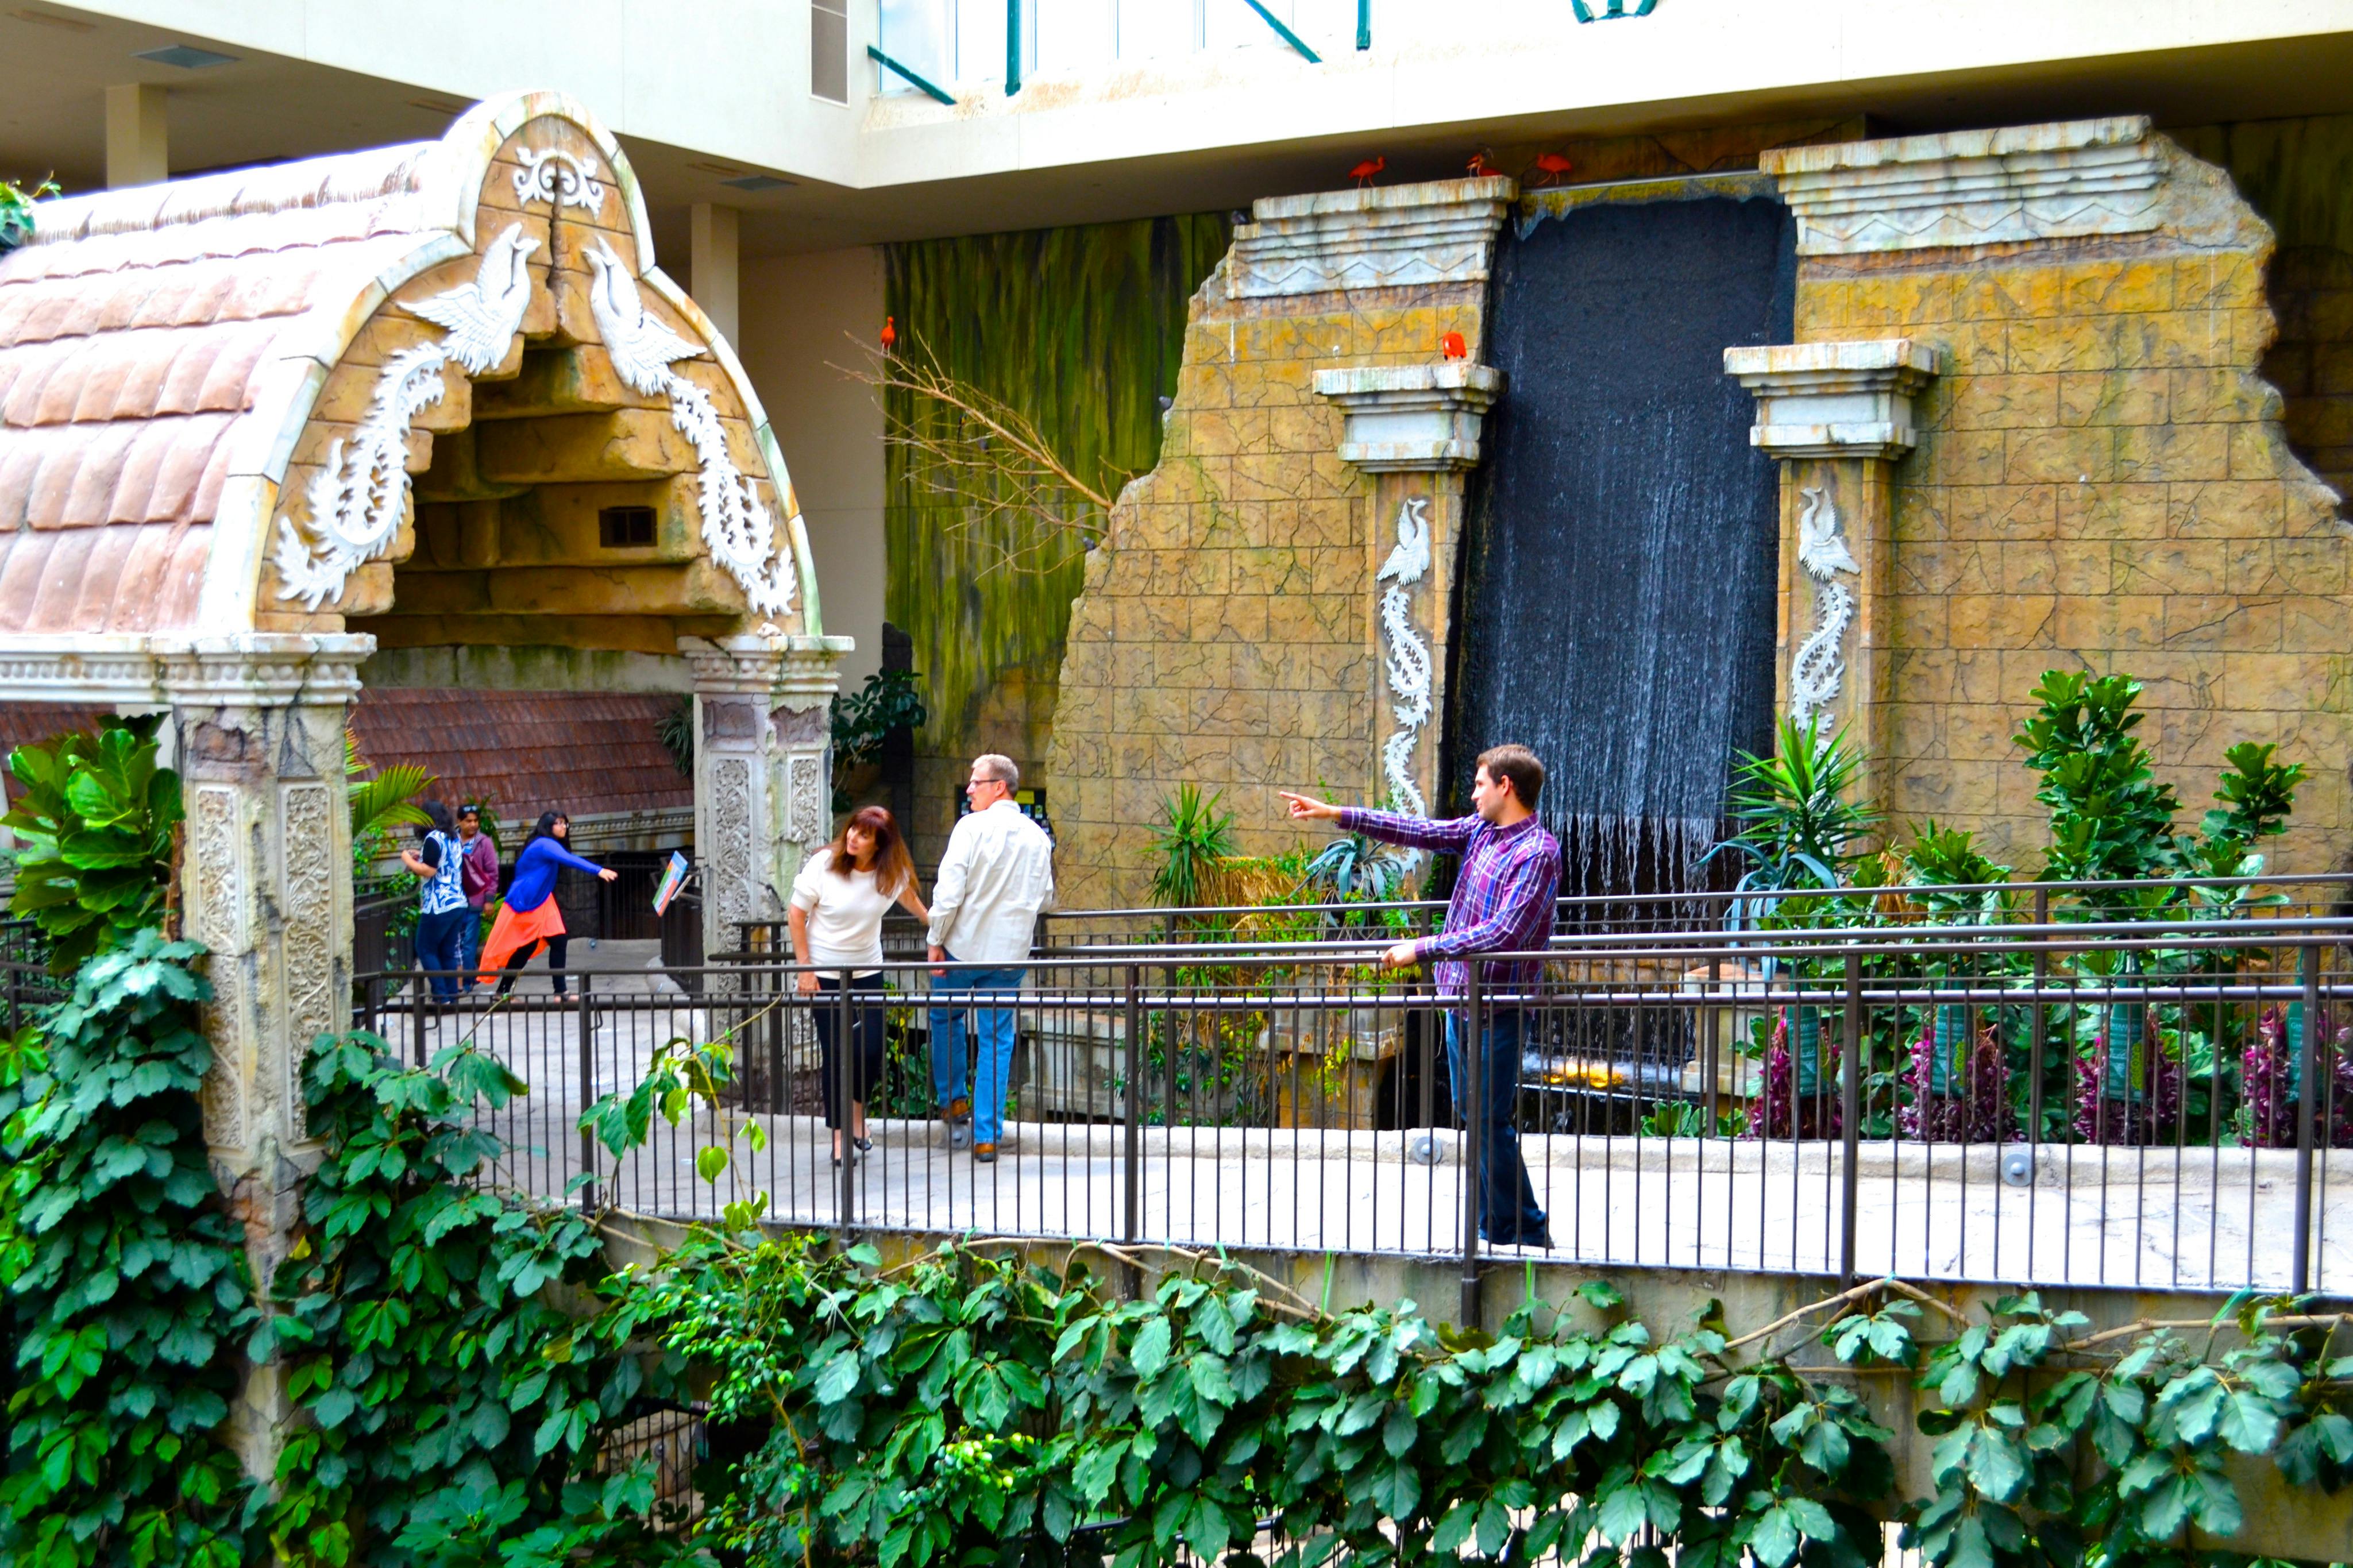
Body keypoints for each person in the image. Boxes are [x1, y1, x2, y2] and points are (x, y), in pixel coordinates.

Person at [1280, 744, 1561, 1249]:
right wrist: (1337, 814)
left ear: (1506, 787)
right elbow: (1418, 831)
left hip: (1499, 1007)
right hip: (1460, 1001)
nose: (1473, 793)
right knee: (1473, 1110)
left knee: (1487, 1117)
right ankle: (1495, 1223)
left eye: (1480, 784)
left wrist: (1421, 948)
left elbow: (1506, 933)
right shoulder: (1481, 831)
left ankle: (1522, 1227)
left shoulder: (1537, 853)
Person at [926, 754, 1055, 1164]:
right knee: (997, 1040)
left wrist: (935, 940)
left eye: (975, 783)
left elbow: (948, 894)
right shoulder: (1038, 836)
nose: (969, 789)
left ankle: (953, 1102)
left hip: (961, 949)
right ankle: (987, 1136)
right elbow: (1046, 898)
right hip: (1010, 955)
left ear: (999, 786)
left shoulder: (970, 828)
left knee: (945, 1018)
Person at [790, 806, 930, 1167]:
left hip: (867, 970)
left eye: (864, 835)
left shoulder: (889, 874)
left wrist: (939, 935)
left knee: (868, 1051)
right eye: (853, 829)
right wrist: (805, 970)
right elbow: (796, 914)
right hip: (826, 972)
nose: (853, 837)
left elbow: (917, 907)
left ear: (880, 844)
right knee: (837, 1053)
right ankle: (839, 1137)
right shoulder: (823, 865)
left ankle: (856, 1117)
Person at [476, 810, 617, 997]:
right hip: (529, 900)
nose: (563, 827)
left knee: (554, 941)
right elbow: (569, 859)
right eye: (558, 823)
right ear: (547, 826)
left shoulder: (546, 843)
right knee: (531, 946)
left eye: (565, 823)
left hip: (541, 899)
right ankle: (517, 992)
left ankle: (555, 992)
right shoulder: (545, 844)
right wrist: (598, 870)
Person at [402, 801, 472, 1005]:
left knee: (425, 948)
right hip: (458, 902)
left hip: (438, 905)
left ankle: (441, 995)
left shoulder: (432, 839)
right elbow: (440, 861)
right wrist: (420, 856)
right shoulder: (453, 837)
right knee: (447, 951)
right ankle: (451, 995)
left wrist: (407, 859)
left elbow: (429, 871)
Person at [455, 802, 499, 987]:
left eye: (476, 821)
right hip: (454, 901)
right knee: (455, 944)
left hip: (474, 901)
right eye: (468, 821)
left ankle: (466, 982)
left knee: (469, 944)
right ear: (459, 821)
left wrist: (489, 899)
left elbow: (492, 873)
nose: (473, 825)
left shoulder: (484, 842)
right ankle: (469, 976)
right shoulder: (451, 840)